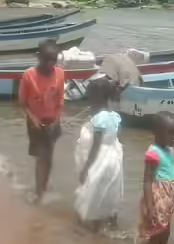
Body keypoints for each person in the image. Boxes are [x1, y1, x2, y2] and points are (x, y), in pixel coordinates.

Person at [74, 77, 124, 231]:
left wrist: (86, 168)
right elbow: (114, 139)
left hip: (100, 158)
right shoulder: (114, 116)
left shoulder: (98, 119)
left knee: (92, 190)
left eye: (89, 97)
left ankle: (92, 227)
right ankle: (112, 223)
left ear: (96, 97)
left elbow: (95, 146)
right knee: (110, 190)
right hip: (113, 158)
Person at [19, 39, 65, 203]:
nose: (50, 63)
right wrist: (33, 120)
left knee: (49, 155)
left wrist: (57, 120)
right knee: (40, 157)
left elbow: (60, 101)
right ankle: (39, 193)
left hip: (53, 121)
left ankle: (44, 186)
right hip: (35, 122)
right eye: (46, 59)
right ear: (39, 57)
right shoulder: (28, 75)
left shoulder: (60, 73)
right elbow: (23, 103)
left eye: (53, 59)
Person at [139, 111, 174, 244]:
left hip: (168, 201)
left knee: (165, 234)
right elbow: (147, 180)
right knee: (156, 235)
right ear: (156, 133)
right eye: (170, 133)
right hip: (157, 200)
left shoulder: (169, 150)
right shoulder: (153, 153)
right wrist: (149, 207)